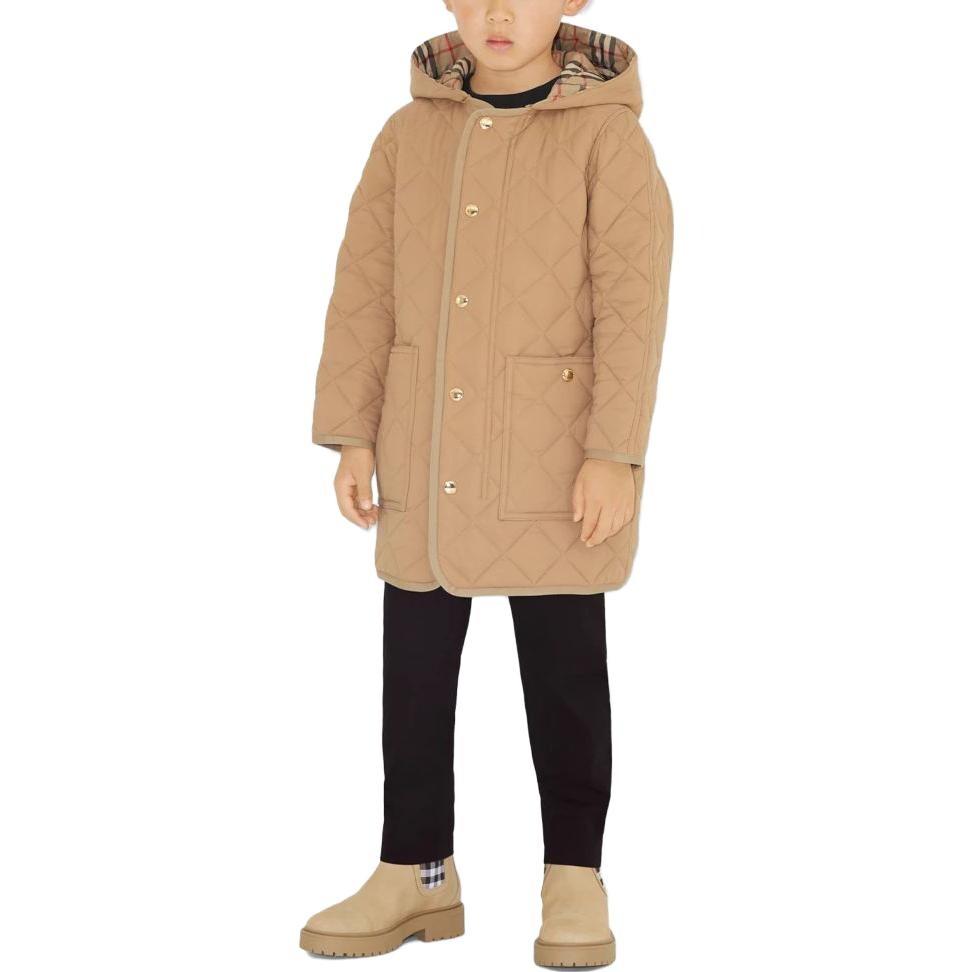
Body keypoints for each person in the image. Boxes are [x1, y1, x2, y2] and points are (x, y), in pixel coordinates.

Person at [301, 1, 673, 966]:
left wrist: (616, 451)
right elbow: (364, 289)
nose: (500, 12)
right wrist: (352, 434)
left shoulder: (608, 140)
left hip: (554, 453)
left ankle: (574, 876)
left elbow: (634, 307)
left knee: (565, 671)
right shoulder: (407, 135)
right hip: (425, 449)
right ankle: (416, 871)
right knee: (415, 670)